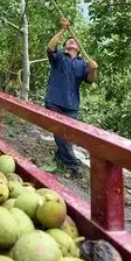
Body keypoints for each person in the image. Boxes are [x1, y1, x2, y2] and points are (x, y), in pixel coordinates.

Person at [45, 17, 98, 177]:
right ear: (66, 46)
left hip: (72, 105)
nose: (71, 41)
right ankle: (73, 166)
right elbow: (50, 47)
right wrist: (62, 30)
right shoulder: (59, 57)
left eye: (74, 41)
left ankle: (59, 159)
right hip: (54, 100)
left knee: (66, 136)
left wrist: (94, 69)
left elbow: (90, 80)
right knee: (61, 134)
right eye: (69, 41)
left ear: (79, 49)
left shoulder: (83, 64)